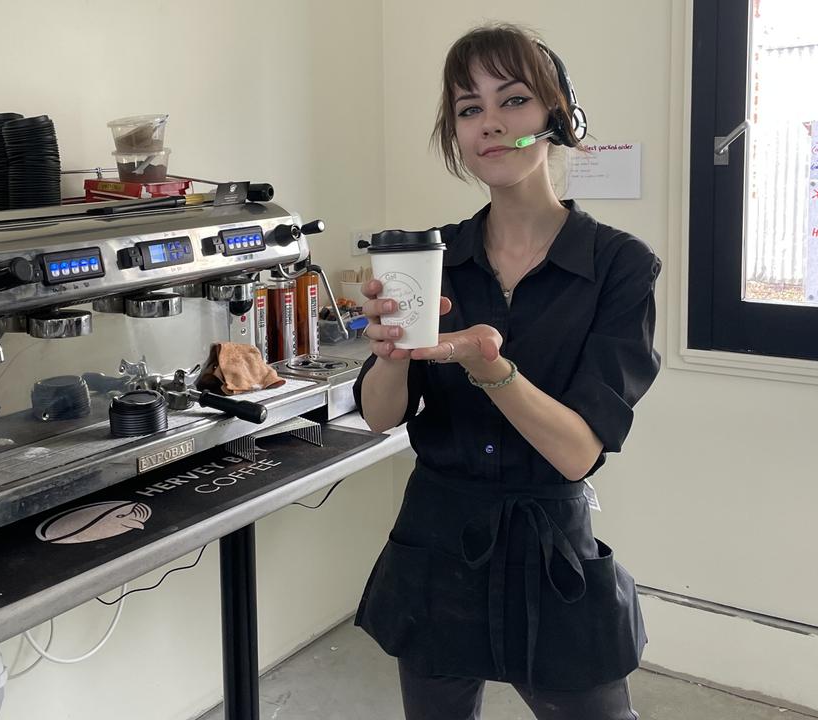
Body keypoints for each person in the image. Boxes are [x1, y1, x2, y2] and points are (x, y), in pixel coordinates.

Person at [351, 23, 662, 720]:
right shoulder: (432, 259)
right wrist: (390, 352)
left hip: (550, 544)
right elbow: (378, 417)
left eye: (512, 101)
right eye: (468, 109)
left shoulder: (619, 266)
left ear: (556, 115)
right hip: (436, 537)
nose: (489, 123)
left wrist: (490, 369)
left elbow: (577, 451)